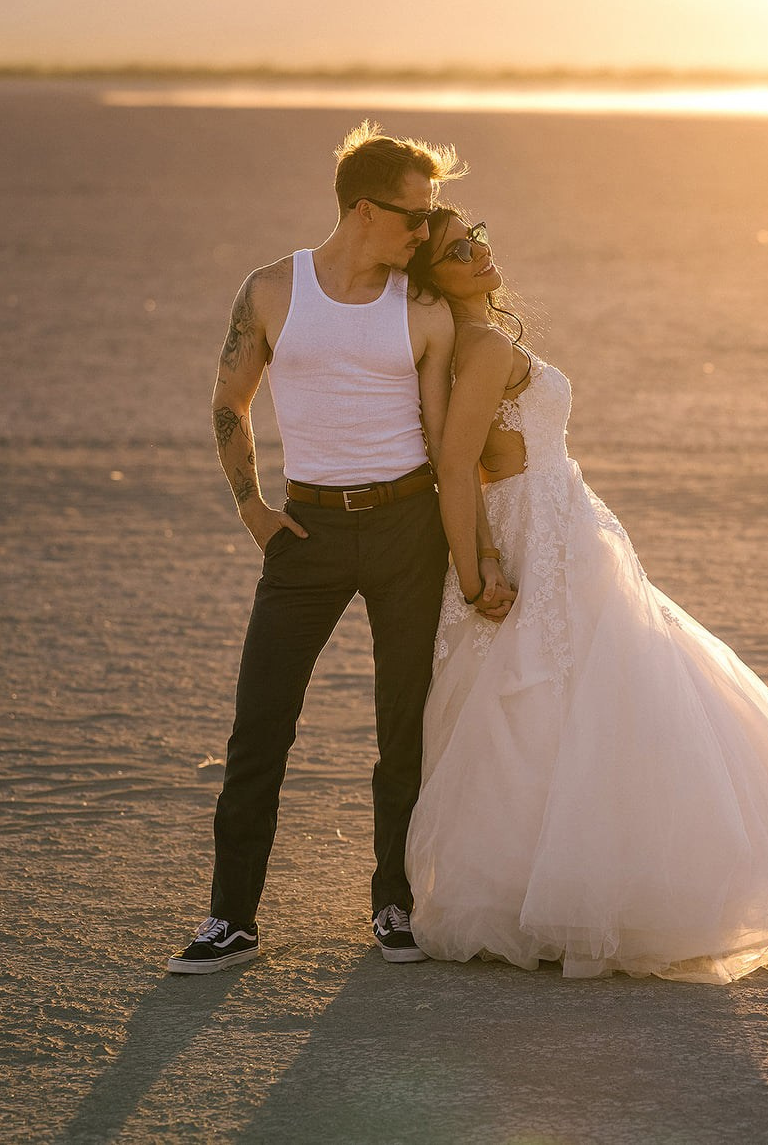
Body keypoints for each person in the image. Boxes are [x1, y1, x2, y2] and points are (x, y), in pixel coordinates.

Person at [402, 210, 768, 983]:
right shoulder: (486, 347)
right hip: (544, 530)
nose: (479, 251)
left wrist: (490, 550)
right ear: (432, 276)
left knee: (581, 693)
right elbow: (457, 466)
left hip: (555, 524)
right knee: (569, 695)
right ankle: (574, 893)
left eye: (479, 233)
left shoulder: (467, 345)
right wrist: (476, 572)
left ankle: (552, 887)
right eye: (457, 251)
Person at [168, 124, 512, 975]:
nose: (425, 232)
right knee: (260, 728)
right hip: (306, 533)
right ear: (364, 210)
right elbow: (229, 400)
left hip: (406, 529)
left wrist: (479, 555)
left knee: (403, 729)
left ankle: (392, 906)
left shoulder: (422, 308)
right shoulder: (273, 290)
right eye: (413, 215)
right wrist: (250, 505)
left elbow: (447, 447)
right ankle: (231, 920)